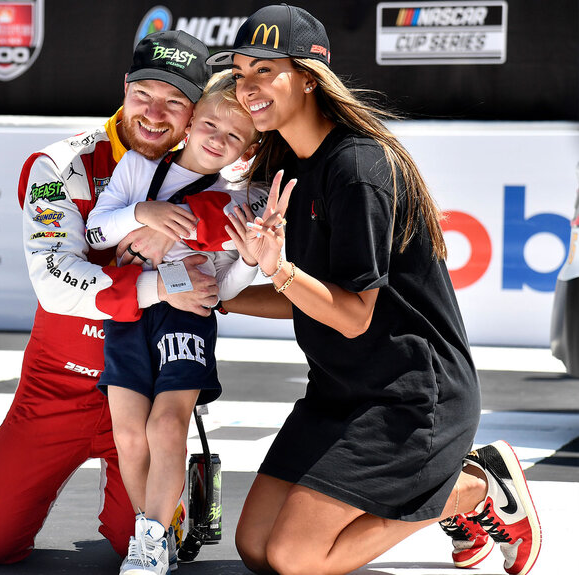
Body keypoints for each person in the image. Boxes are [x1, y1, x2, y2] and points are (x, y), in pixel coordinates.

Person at [212, 5, 542, 575]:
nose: (248, 87)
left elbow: (354, 316)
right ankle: (440, 488)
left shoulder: (359, 167)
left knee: (295, 558)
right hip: (338, 390)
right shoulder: (289, 163)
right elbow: (306, 297)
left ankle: (472, 487)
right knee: (256, 548)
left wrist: (278, 268)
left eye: (266, 70)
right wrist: (215, 297)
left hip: (411, 397)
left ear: (309, 78)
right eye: (241, 73)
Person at [0, 30, 220, 564]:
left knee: (144, 547)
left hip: (149, 388)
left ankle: (181, 480)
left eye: (175, 101)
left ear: (194, 113)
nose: (154, 112)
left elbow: (235, 242)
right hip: (58, 385)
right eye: (144, 93)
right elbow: (54, 280)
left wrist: (201, 237)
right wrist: (158, 285)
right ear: (124, 87)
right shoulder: (58, 166)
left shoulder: (208, 169)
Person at [85, 69, 264, 575]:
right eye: (210, 125)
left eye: (234, 136)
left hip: (186, 317)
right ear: (188, 125)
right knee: (129, 435)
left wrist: (249, 260)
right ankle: (154, 529)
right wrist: (146, 213)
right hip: (130, 313)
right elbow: (96, 231)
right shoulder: (140, 170)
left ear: (247, 152)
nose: (217, 140)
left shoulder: (235, 200)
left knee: (167, 426)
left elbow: (221, 289)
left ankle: (151, 541)